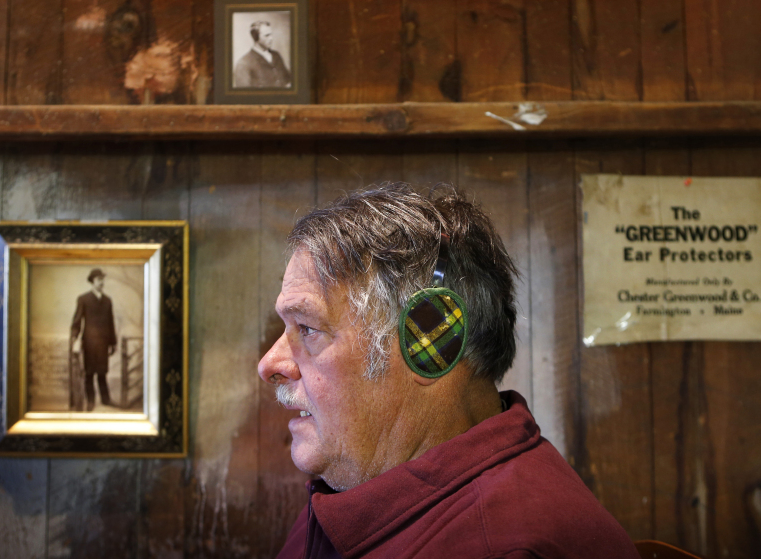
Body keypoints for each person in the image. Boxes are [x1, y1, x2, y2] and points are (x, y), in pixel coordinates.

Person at [259, 183, 639, 559]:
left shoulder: (509, 546)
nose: (270, 364)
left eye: (307, 329)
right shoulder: (358, 486)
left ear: (430, 340)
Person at [70, 268, 117, 411]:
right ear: (92, 282)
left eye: (103, 279)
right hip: (89, 343)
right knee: (89, 373)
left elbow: (111, 323)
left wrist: (113, 342)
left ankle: (106, 399)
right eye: (98, 279)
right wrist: (74, 336)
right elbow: (77, 321)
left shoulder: (108, 301)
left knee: (102, 372)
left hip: (103, 343)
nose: (101, 282)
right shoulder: (83, 299)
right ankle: (90, 401)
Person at [233, 20, 292, 88]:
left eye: (271, 34)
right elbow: (243, 95)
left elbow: (288, 81)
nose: (271, 38)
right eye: (267, 35)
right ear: (256, 37)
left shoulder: (276, 55)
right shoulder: (244, 63)